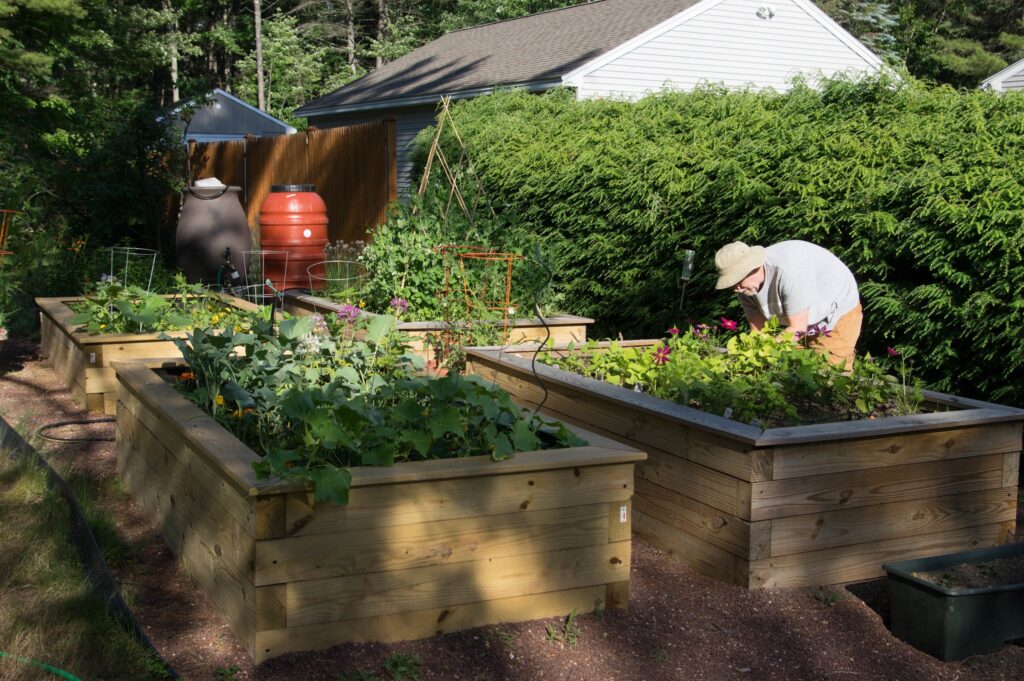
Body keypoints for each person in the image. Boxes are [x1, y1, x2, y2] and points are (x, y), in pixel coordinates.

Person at [713, 240, 862, 367]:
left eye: (737, 280)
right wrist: (747, 357)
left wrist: (762, 354)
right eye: (731, 283)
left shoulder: (788, 273)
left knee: (831, 374)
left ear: (754, 268)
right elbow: (758, 330)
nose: (735, 288)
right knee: (791, 372)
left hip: (835, 311)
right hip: (799, 319)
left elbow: (798, 328)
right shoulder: (745, 288)